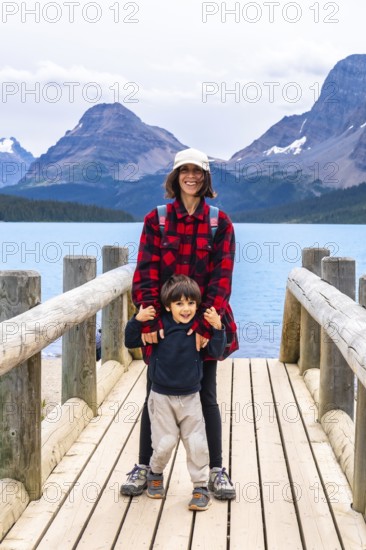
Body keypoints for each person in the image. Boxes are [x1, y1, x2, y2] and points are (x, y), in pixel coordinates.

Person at [121, 147, 238, 500]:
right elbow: (145, 274)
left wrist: (206, 327)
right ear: (175, 177)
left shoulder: (220, 223)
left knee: (208, 397)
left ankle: (216, 471)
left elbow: (222, 280)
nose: (192, 176)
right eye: (185, 171)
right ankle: (144, 467)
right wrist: (150, 318)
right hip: (164, 324)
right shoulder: (155, 220)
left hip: (203, 322)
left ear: (206, 178)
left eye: (198, 171)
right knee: (154, 395)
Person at [125, 274, 227, 510]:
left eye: (191, 303)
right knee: (164, 443)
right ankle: (156, 473)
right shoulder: (159, 328)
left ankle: (200, 487)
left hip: (191, 399)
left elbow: (217, 351)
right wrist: (138, 320)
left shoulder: (198, 330)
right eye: (179, 303)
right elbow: (131, 341)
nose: (186, 308)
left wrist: (217, 327)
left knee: (197, 444)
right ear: (168, 305)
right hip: (161, 398)